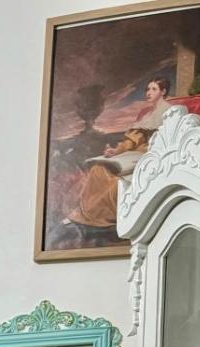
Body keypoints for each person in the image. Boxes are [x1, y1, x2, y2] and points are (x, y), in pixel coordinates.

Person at [66, 77, 171, 232]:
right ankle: (86, 213)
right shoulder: (147, 115)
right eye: (148, 89)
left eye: (154, 89)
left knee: (116, 182)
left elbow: (168, 141)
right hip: (135, 153)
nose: (149, 92)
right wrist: (117, 151)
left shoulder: (169, 112)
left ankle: (99, 216)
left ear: (163, 92)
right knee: (97, 170)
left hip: (152, 156)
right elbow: (134, 139)